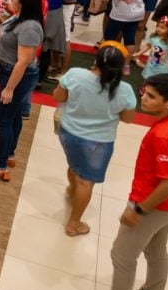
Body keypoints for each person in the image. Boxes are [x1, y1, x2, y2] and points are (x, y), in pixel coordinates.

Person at [74, 74, 168, 290]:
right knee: (156, 251)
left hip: (151, 205)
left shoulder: (162, 135)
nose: (143, 97)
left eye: (151, 96)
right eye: (144, 92)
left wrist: (139, 209)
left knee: (122, 255)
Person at [53, 45, 136, 238]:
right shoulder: (125, 90)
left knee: (74, 165)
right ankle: (73, 224)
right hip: (98, 143)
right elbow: (128, 119)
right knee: (86, 182)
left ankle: (72, 191)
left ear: (95, 61)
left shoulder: (75, 75)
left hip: (68, 132)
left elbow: (58, 96)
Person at [0, 0, 44, 182]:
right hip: (10, 72)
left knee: (4, 119)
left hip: (17, 77)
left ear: (24, 3)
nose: (9, 0)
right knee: (13, 117)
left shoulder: (30, 27)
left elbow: (23, 61)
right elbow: (13, 38)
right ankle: (8, 154)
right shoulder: (20, 18)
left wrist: (9, 88)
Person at [35, 0, 78, 80]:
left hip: (38, 13)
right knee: (47, 48)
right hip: (56, 14)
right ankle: (41, 78)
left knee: (35, 45)